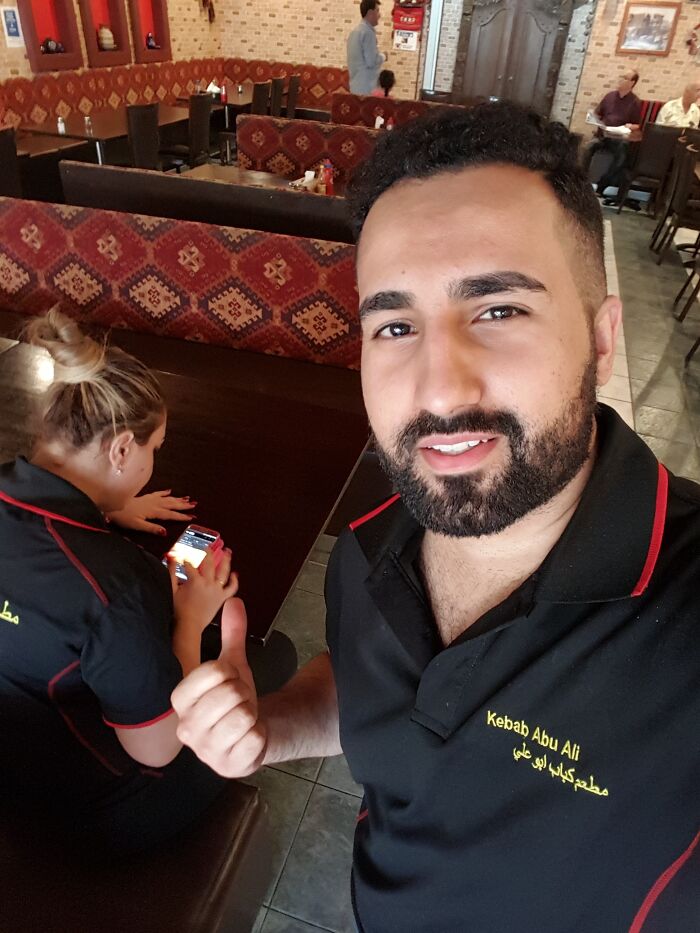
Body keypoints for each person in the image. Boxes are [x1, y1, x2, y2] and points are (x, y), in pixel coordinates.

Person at [172, 104, 700, 931]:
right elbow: (372, 690)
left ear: (602, 338)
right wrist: (270, 726)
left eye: (498, 310)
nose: (440, 388)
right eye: (395, 324)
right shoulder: (372, 542)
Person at [0, 309, 238, 855]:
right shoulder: (117, 586)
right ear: (121, 450)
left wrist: (101, 508)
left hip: (11, 750)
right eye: (153, 448)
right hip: (85, 811)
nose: (152, 460)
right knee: (270, 662)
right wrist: (191, 618)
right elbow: (154, 750)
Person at [581, 70, 642, 198]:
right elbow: (598, 113)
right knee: (586, 148)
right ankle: (582, 183)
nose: (620, 79)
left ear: (632, 83)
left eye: (625, 78)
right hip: (602, 136)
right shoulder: (609, 96)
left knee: (622, 157)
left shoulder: (635, 102)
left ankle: (602, 186)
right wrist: (594, 119)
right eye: (621, 76)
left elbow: (637, 125)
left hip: (619, 139)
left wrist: (630, 126)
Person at [347, 0, 386, 96]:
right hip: (368, 88)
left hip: (355, 85)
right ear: (370, 13)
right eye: (377, 11)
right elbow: (371, 62)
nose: (379, 15)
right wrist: (384, 56)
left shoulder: (354, 32)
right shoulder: (368, 33)